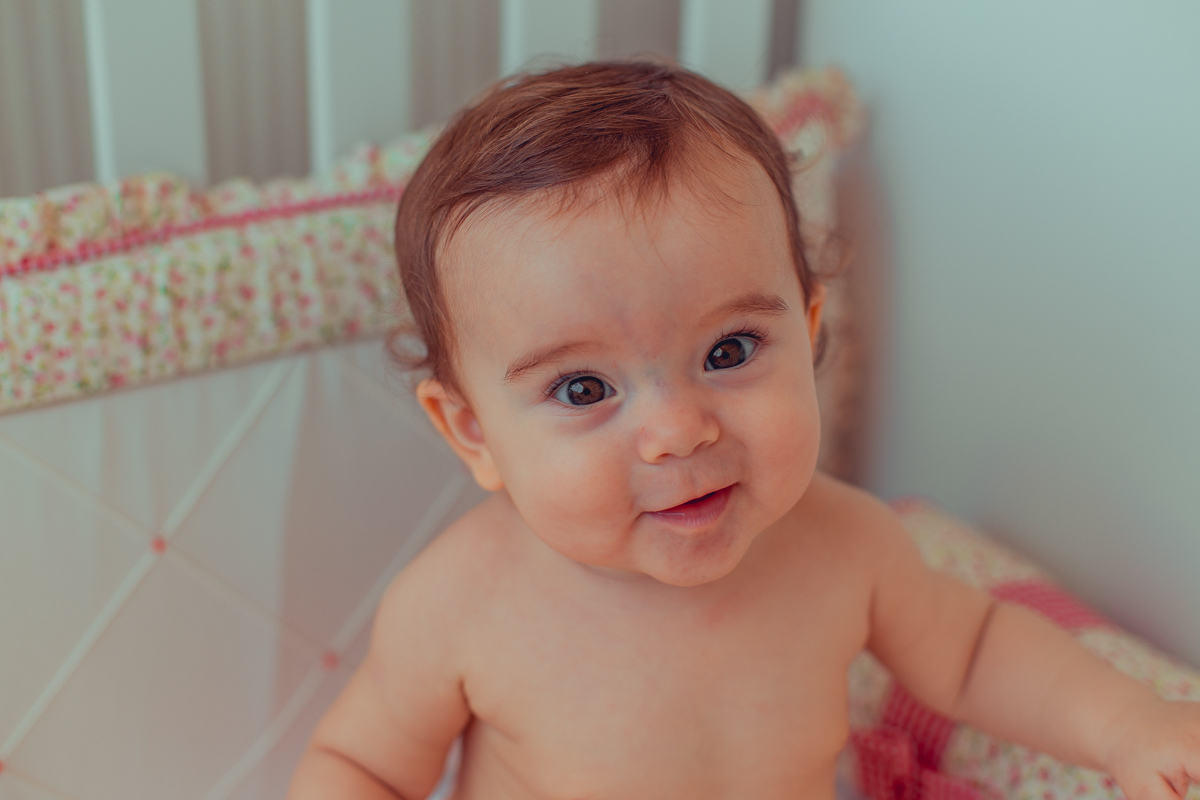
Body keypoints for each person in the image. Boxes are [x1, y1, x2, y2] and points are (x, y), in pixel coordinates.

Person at [287, 61, 1200, 800]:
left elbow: (972, 653)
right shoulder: (462, 603)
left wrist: (1128, 726)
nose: (678, 432)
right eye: (583, 388)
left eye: (728, 351)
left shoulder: (847, 546)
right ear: (474, 434)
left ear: (808, 333)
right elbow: (364, 767)